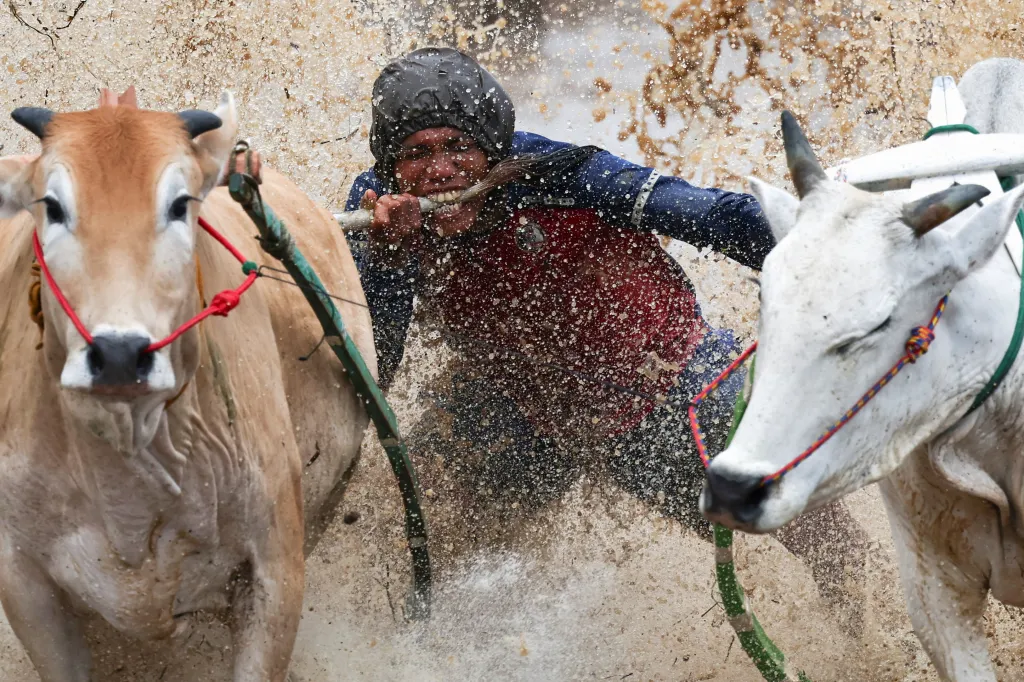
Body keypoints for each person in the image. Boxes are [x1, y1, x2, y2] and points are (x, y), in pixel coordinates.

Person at [345, 47, 866, 620]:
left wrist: (843, 254)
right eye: (416, 154)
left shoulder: (567, 173)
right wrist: (388, 260)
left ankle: (869, 620)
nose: (440, 171)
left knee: (812, 528)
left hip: (669, 386)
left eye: (457, 147)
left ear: (492, 148)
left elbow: (713, 217)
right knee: (410, 522)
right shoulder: (376, 213)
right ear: (390, 164)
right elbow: (373, 365)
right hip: (520, 415)